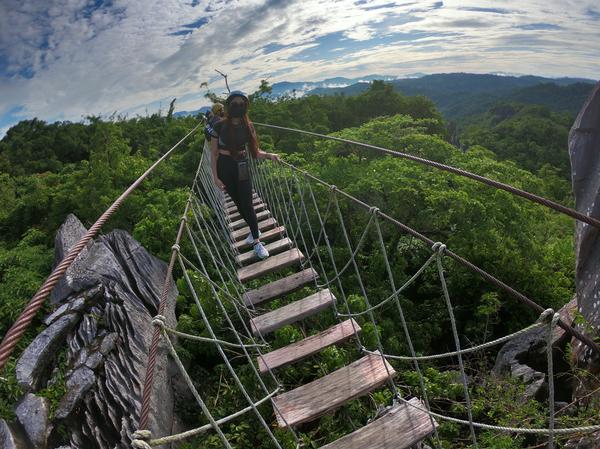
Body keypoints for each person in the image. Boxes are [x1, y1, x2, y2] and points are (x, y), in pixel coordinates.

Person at [210, 91, 280, 259]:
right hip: (224, 167)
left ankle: (256, 241)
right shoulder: (219, 126)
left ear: (246, 106)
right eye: (235, 104)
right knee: (238, 204)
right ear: (229, 106)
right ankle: (253, 230)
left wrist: (269, 155)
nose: (238, 107)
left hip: (241, 165)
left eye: (242, 104)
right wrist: (215, 178)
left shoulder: (248, 126)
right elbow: (213, 154)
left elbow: (255, 152)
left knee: (247, 204)